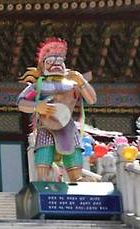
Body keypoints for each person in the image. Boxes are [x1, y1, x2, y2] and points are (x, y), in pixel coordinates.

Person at [17, 37, 97, 182]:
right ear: (43, 66)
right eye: (50, 62)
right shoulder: (38, 86)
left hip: (68, 127)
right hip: (46, 126)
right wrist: (37, 106)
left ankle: (76, 179)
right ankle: (42, 181)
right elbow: (21, 103)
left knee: (73, 155)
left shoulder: (72, 84)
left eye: (59, 62)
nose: (56, 65)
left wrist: (82, 81)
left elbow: (92, 99)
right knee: (44, 156)